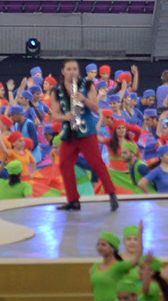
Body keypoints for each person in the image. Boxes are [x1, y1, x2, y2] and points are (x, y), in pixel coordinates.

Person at [49, 59, 121, 211]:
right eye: (69, 69)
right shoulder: (57, 91)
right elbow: (54, 115)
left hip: (87, 132)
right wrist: (65, 117)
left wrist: (84, 99)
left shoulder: (87, 85)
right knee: (65, 165)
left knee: (96, 163)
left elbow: (96, 108)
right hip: (69, 133)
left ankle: (112, 193)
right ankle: (73, 200)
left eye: (75, 69)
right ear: (63, 71)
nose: (72, 72)